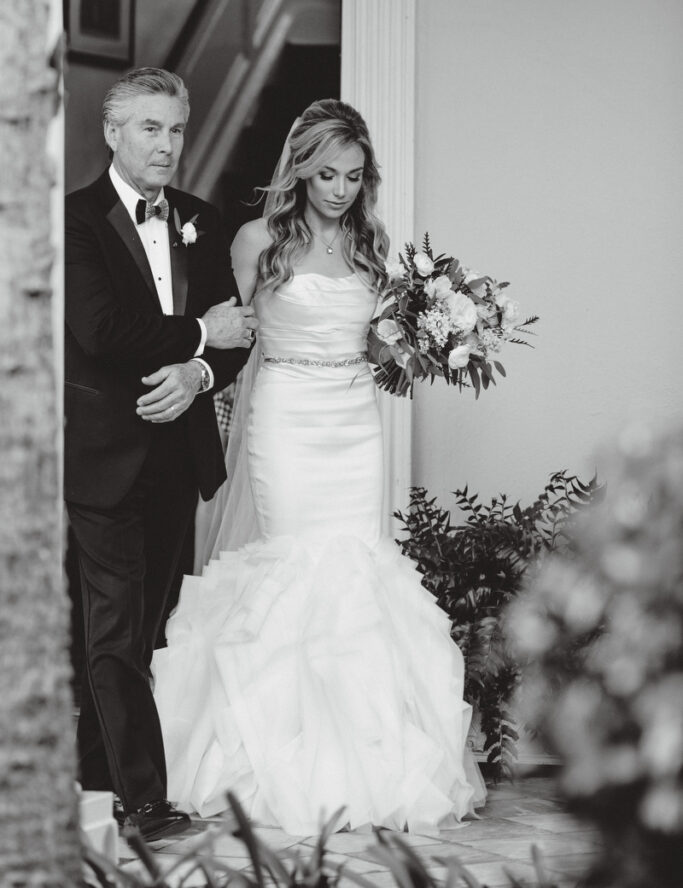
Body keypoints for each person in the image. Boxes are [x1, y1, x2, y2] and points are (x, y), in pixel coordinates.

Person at [152, 99, 486, 834]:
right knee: (296, 567)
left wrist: (421, 338)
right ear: (300, 167)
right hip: (285, 415)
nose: (338, 189)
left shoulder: (373, 241)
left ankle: (363, 760)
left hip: (353, 415)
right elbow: (236, 342)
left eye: (353, 176)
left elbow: (374, 345)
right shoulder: (254, 240)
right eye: (327, 173)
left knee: (357, 568)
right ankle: (275, 757)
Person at [65, 68, 257, 842]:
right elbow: (102, 332)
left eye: (176, 129)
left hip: (177, 458)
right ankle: (143, 804)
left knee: (144, 631)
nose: (167, 145)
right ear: (113, 133)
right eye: (150, 128)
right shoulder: (74, 221)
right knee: (113, 631)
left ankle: (93, 774)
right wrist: (202, 336)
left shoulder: (202, 222)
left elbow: (239, 337)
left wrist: (200, 372)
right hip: (105, 455)